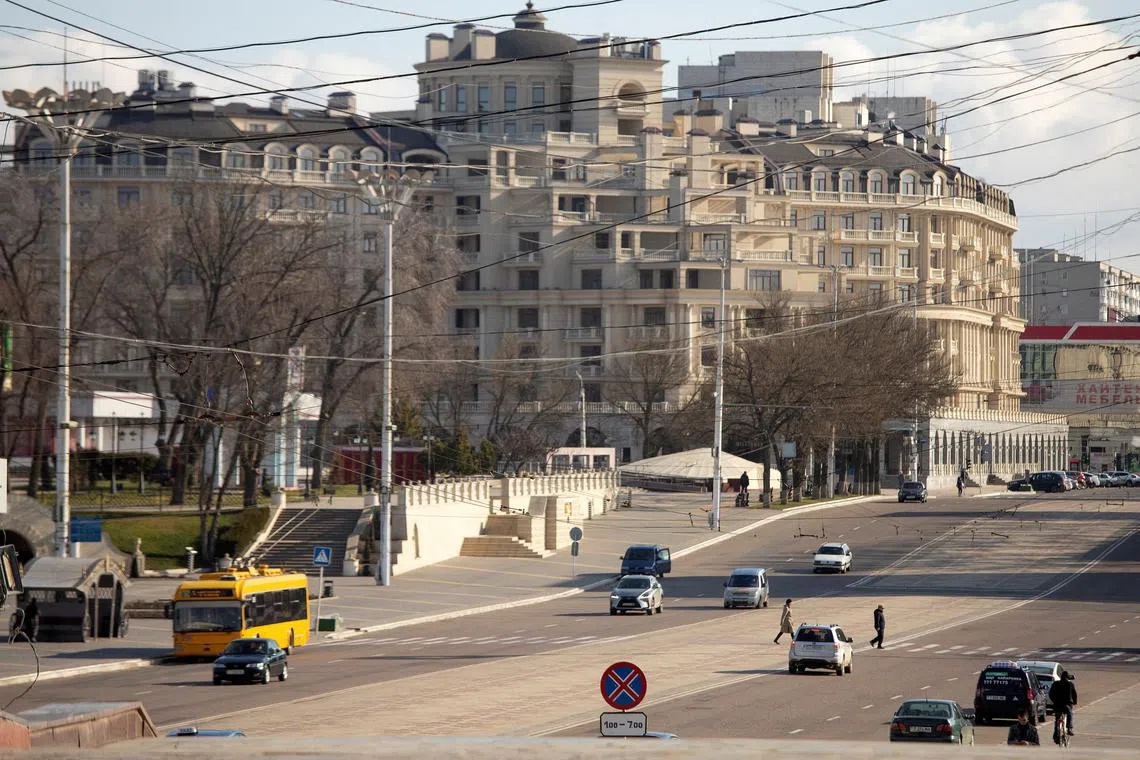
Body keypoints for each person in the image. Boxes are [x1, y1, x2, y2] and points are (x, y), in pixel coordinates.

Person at [1049, 670, 1077, 739]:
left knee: (1057, 719)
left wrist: (1054, 701)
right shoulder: (1070, 684)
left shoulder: (1055, 683)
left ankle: (1056, 734)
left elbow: (1050, 694)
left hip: (1057, 705)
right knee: (1070, 714)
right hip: (1067, 705)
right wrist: (1075, 702)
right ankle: (1069, 728)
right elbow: (1074, 695)